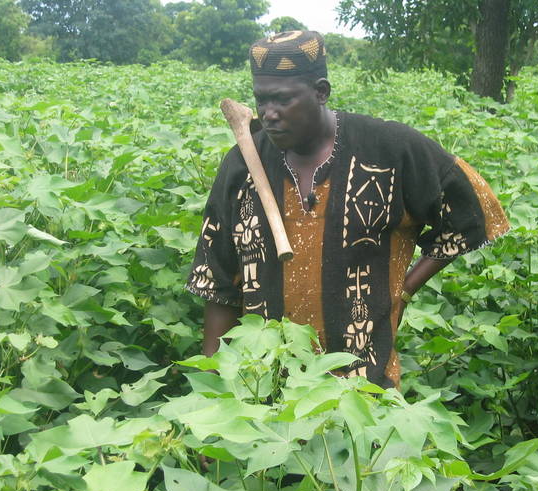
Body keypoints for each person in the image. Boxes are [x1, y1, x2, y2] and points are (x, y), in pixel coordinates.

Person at [187, 30, 510, 387]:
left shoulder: (389, 149)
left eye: (283, 100)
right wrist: (215, 389)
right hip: (265, 385)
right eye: (261, 101)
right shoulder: (243, 164)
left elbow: (472, 210)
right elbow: (218, 281)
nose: (269, 114)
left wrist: (404, 290)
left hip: (364, 383)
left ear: (321, 91)